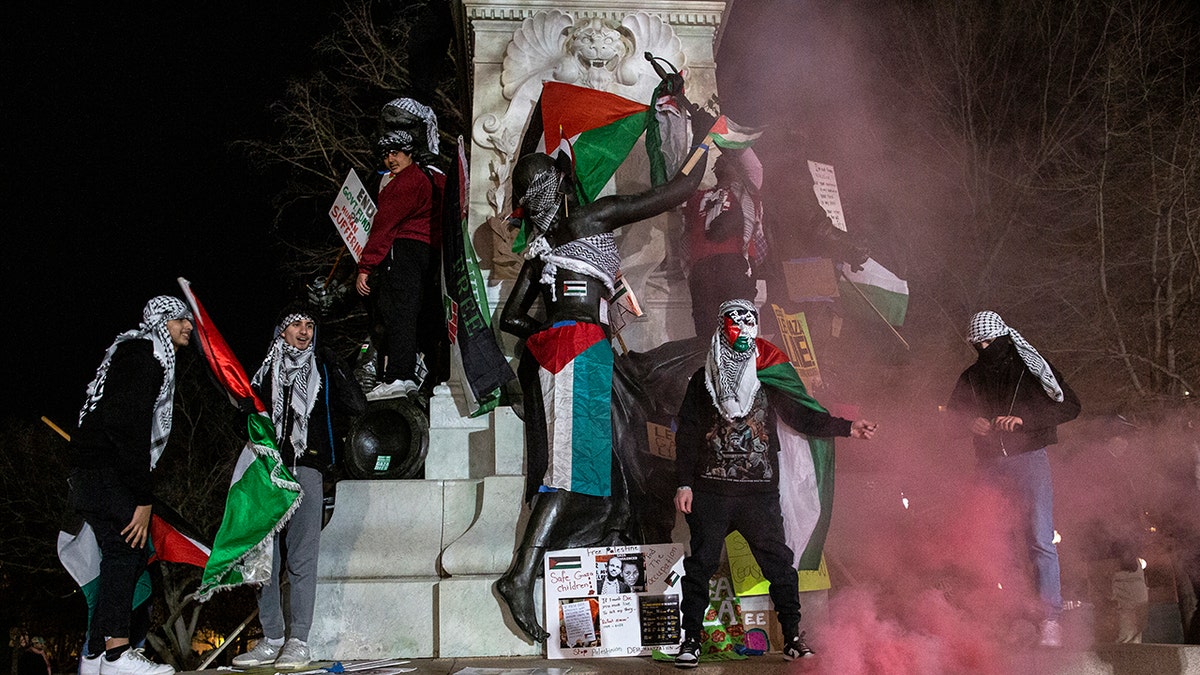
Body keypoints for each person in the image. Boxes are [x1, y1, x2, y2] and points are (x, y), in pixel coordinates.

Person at [497, 78, 710, 642]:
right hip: (579, 348)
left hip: (575, 348)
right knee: (569, 473)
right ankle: (518, 576)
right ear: (563, 185)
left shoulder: (542, 245)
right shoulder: (588, 221)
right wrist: (705, 135)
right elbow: (678, 190)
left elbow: (512, 319)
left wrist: (558, 325)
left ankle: (557, 571)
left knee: (588, 469)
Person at [673, 299, 877, 667]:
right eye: (735, 327)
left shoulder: (766, 376)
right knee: (700, 565)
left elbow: (803, 416)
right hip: (710, 492)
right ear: (722, 328)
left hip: (758, 495)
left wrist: (847, 427)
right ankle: (690, 641)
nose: (741, 335)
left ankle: (793, 637)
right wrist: (684, 483)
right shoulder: (702, 381)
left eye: (748, 327)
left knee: (780, 567)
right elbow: (686, 433)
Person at [232, 308, 366, 669]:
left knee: (302, 558)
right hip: (267, 472)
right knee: (263, 560)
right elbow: (241, 420)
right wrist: (245, 411)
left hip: (307, 468)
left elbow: (357, 404)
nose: (304, 332)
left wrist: (333, 360)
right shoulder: (264, 372)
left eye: (310, 325)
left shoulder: (321, 368)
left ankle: (298, 641)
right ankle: (272, 637)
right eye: (296, 324)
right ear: (281, 330)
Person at [70, 296, 193, 675]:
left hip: (88, 472)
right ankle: (117, 654)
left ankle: (95, 654)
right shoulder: (146, 358)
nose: (188, 327)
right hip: (108, 471)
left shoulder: (130, 353)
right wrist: (142, 497)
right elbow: (127, 425)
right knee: (128, 551)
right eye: (179, 320)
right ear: (160, 323)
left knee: (119, 556)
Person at [946, 310, 1080, 648]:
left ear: (1004, 337)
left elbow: (1070, 406)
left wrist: (1024, 421)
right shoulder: (971, 376)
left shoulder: (1032, 368)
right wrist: (969, 425)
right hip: (989, 464)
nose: (985, 348)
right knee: (998, 543)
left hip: (1030, 459)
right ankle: (1012, 617)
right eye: (978, 344)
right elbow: (949, 420)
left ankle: (1049, 618)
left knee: (1039, 537)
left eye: (990, 342)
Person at [356, 97, 445, 400]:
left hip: (403, 251)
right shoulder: (435, 178)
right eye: (386, 154)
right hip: (427, 252)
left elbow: (384, 225)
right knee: (413, 313)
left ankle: (398, 375)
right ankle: (406, 375)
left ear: (410, 152)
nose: (390, 160)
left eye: (396, 153)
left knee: (399, 314)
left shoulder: (407, 181)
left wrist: (366, 266)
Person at [681, 147, 764, 336]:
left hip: (734, 265)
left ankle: (740, 366)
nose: (722, 159)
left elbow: (754, 166)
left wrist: (726, 137)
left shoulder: (748, 192)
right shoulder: (698, 196)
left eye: (729, 158)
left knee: (738, 332)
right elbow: (683, 180)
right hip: (702, 270)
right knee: (706, 333)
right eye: (719, 159)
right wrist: (701, 144)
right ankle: (711, 365)